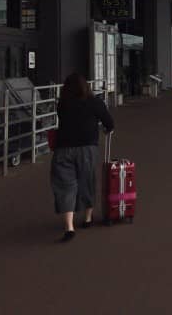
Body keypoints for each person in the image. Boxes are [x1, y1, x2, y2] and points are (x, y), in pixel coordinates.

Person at [50, 73, 114, 241]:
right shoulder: (95, 102)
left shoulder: (62, 104)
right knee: (87, 182)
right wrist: (106, 129)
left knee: (65, 186)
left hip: (63, 150)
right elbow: (109, 123)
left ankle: (69, 226)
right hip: (87, 149)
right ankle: (87, 218)